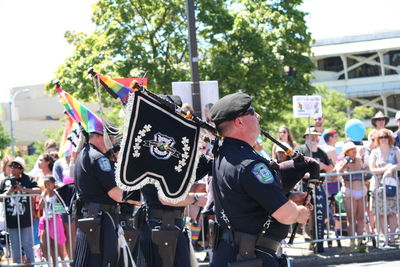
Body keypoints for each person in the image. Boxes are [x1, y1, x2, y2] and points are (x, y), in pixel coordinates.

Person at [209, 92, 311, 267]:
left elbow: (244, 201)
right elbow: (285, 215)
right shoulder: (250, 164)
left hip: (230, 252)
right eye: (252, 112)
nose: (258, 116)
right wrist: (301, 213)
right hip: (250, 257)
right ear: (239, 121)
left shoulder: (224, 154)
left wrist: (289, 198)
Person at [73, 123, 140, 267]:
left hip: (90, 218)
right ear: (98, 136)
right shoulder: (99, 158)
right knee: (106, 261)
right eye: (110, 137)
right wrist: (139, 199)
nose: (113, 141)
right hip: (102, 219)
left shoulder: (82, 156)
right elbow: (115, 193)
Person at [0, 157, 40, 266]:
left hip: (25, 218)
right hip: (12, 219)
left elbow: (39, 190)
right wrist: (9, 191)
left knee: (27, 244)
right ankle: (17, 264)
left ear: (21, 169)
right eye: (11, 166)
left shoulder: (28, 179)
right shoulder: (5, 181)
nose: (12, 168)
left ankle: (31, 264)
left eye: (16, 166)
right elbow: (0, 198)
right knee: (15, 245)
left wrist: (22, 189)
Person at [368, 128, 400, 246]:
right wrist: (386, 169)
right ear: (377, 139)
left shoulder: (395, 150)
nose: (383, 139)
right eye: (381, 137)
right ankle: (385, 238)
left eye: (385, 137)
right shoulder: (374, 152)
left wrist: (392, 168)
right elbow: (372, 169)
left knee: (392, 212)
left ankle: (392, 238)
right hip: (378, 185)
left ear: (390, 138)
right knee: (380, 213)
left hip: (392, 185)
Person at [334, 142, 368, 248]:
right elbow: (337, 173)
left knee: (361, 218)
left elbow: (365, 171)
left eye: (354, 149)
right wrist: (345, 163)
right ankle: (352, 242)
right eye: (351, 149)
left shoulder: (359, 160)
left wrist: (366, 168)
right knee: (351, 218)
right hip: (349, 192)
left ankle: (360, 241)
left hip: (362, 191)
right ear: (347, 152)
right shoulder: (342, 161)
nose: (354, 151)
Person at [38, 176, 67, 266]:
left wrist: (57, 192)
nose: (47, 186)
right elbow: (40, 207)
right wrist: (43, 195)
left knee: (57, 244)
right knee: (45, 243)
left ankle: (62, 262)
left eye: (49, 184)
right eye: (45, 184)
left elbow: (61, 208)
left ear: (53, 184)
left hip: (55, 220)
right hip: (45, 220)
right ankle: (50, 263)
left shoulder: (56, 194)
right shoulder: (44, 194)